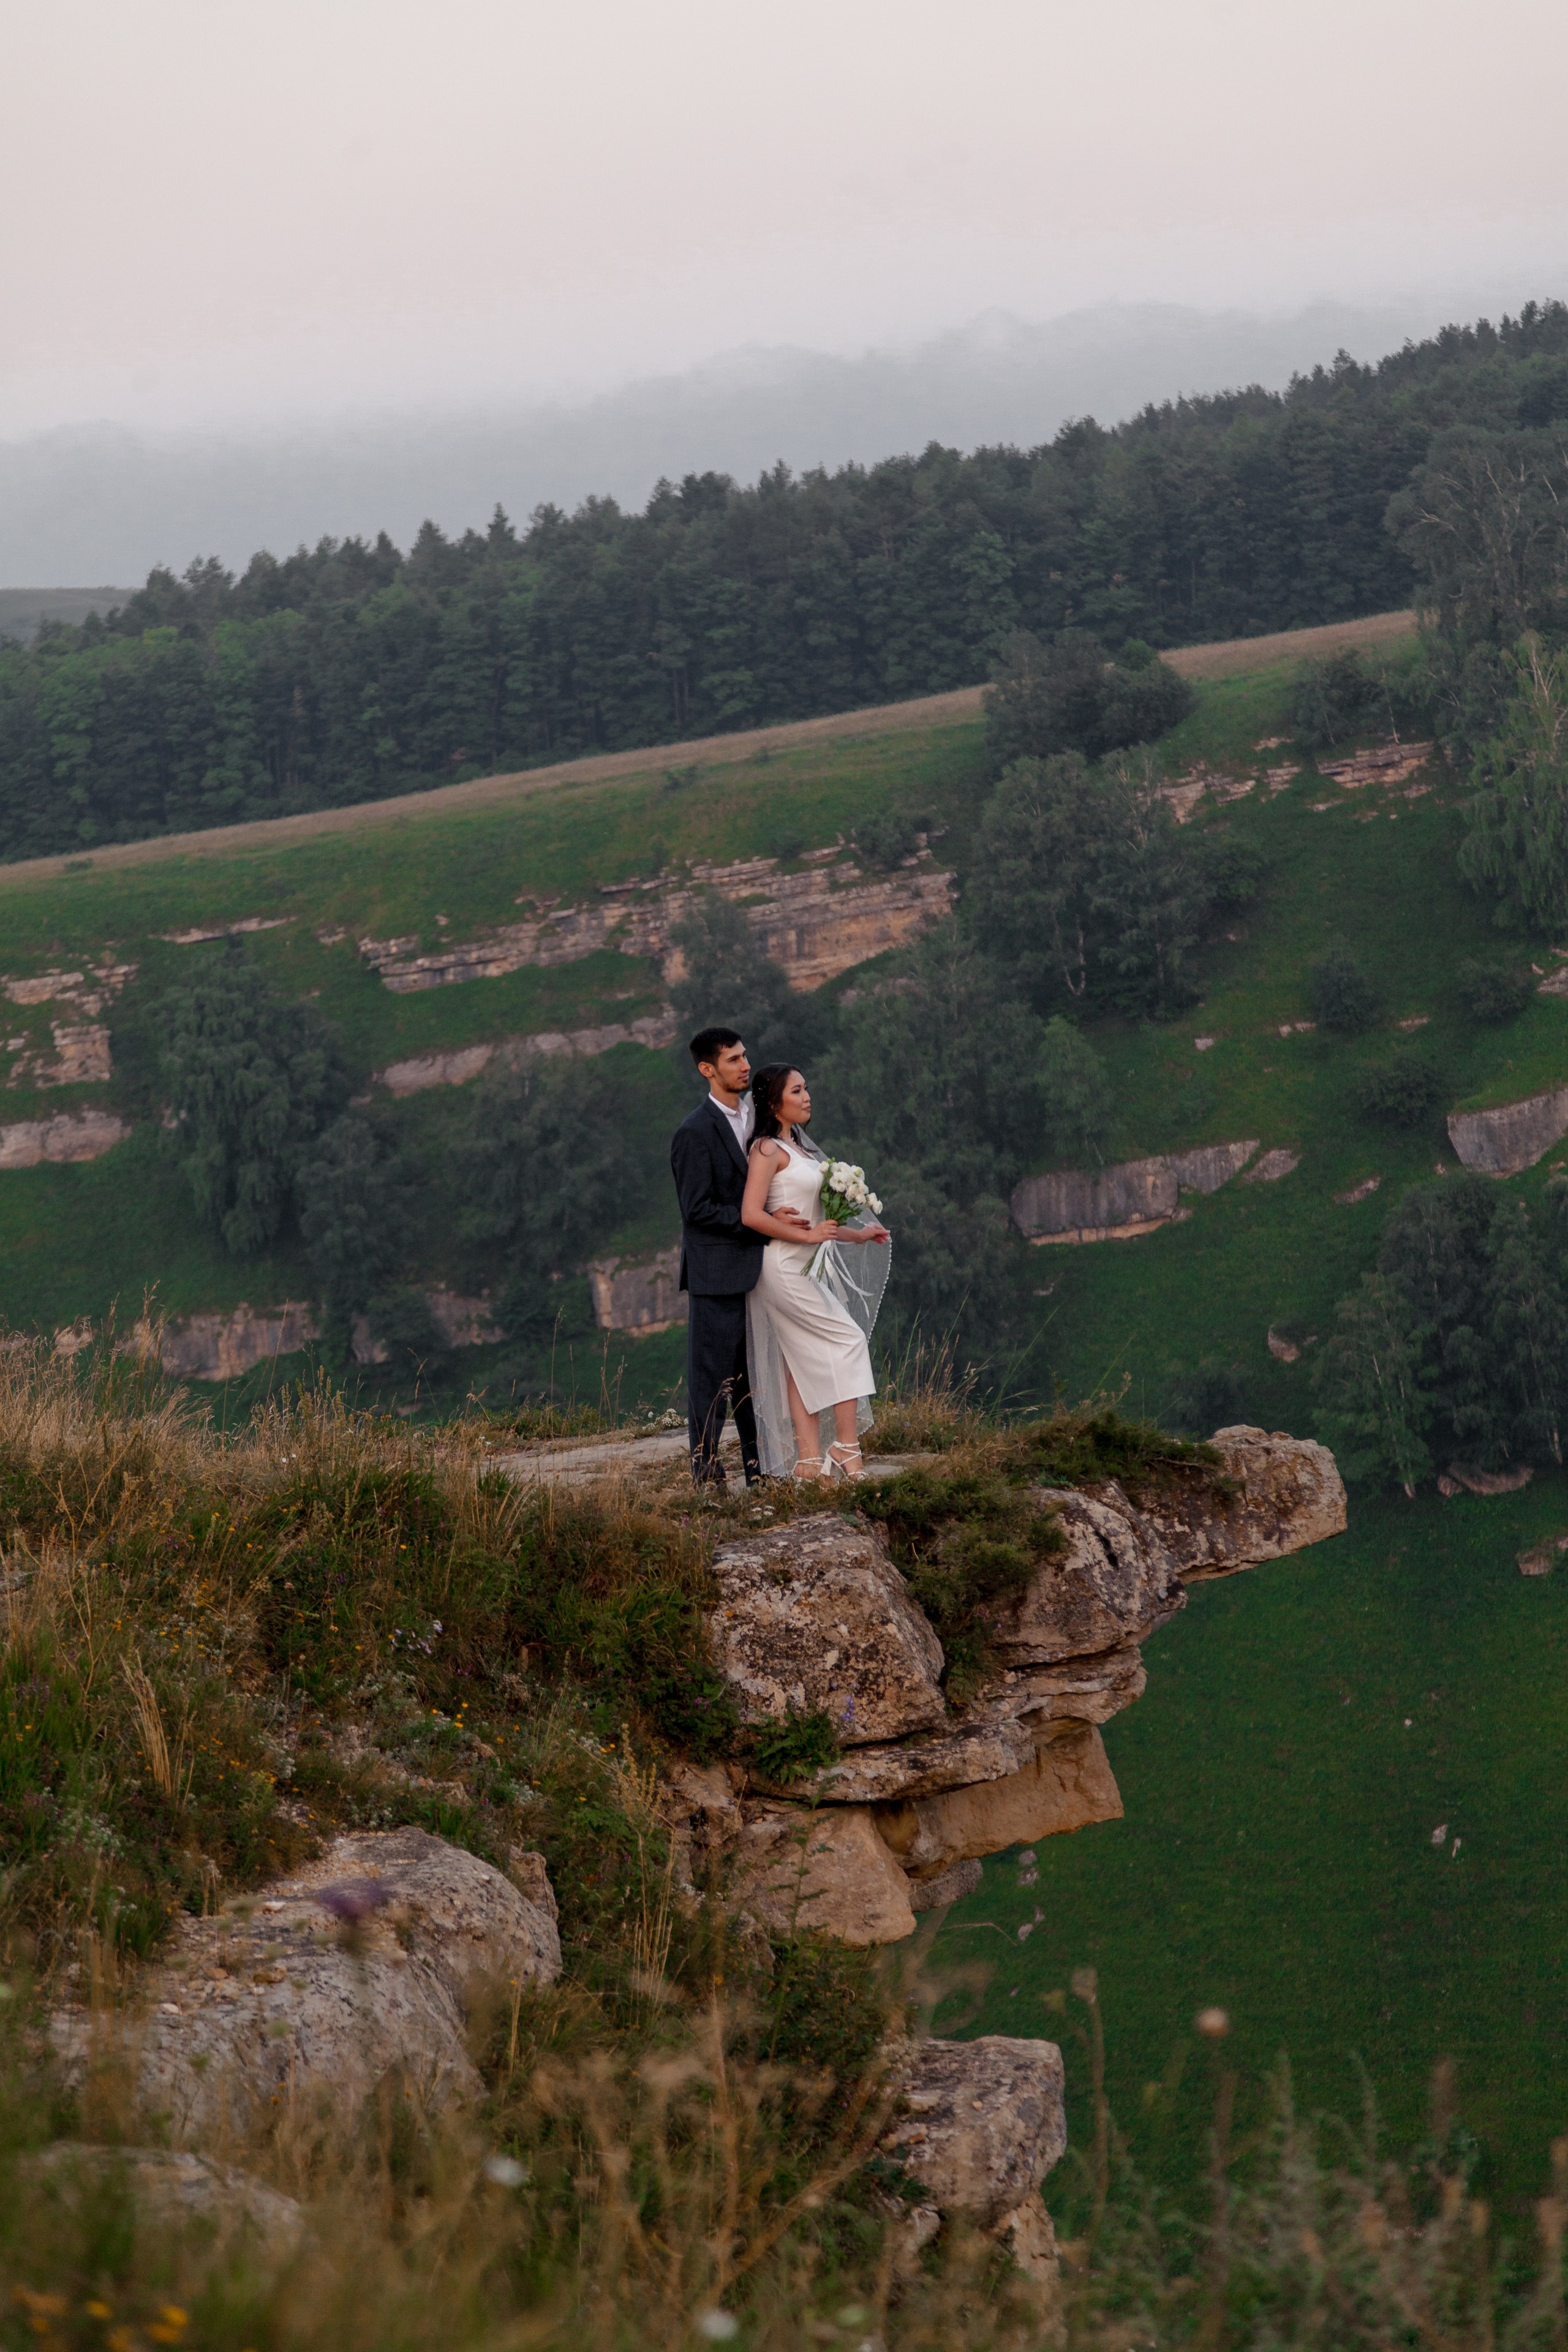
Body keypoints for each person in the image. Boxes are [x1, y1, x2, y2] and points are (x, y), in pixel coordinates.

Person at [669, 1027, 809, 1488]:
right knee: (712, 1385)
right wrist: (758, 1219)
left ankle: (762, 1472)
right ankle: (707, 1480)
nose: (745, 1065)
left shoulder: (757, 1122)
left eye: (745, 1056)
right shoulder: (693, 1131)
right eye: (732, 1060)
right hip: (716, 1274)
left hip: (761, 1271)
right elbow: (697, 1210)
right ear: (707, 1070)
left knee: (757, 1382)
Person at [741, 1062, 890, 1483]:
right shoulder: (767, 1150)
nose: (807, 1097)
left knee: (800, 1360)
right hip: (784, 1267)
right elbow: (751, 1215)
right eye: (797, 1091)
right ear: (774, 1103)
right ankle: (846, 1449)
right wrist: (805, 1238)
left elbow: (813, 1217)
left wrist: (857, 1236)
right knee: (849, 1339)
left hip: (807, 1265)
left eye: (807, 1089)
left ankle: (807, 1463)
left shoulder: (803, 1150)